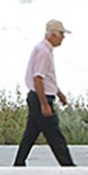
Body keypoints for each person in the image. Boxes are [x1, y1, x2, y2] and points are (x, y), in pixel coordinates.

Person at [12, 20, 75, 167]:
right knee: (55, 135)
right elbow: (38, 78)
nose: (62, 38)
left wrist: (59, 93)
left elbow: (46, 78)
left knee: (31, 134)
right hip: (41, 97)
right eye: (61, 34)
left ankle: (19, 162)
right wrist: (44, 104)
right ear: (53, 35)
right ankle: (67, 165)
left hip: (39, 96)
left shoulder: (43, 49)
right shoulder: (44, 52)